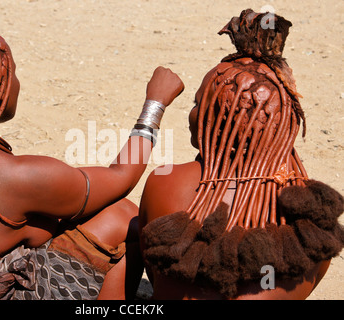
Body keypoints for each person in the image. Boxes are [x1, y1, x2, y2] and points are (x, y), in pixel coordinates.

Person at [0, 19, 184, 300]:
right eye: (13, 75)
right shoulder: (17, 175)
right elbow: (122, 176)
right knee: (122, 216)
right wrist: (154, 104)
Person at [138, 9, 343, 300]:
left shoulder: (166, 182)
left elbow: (156, 266)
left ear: (221, 124)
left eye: (201, 104)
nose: (192, 113)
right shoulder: (313, 229)